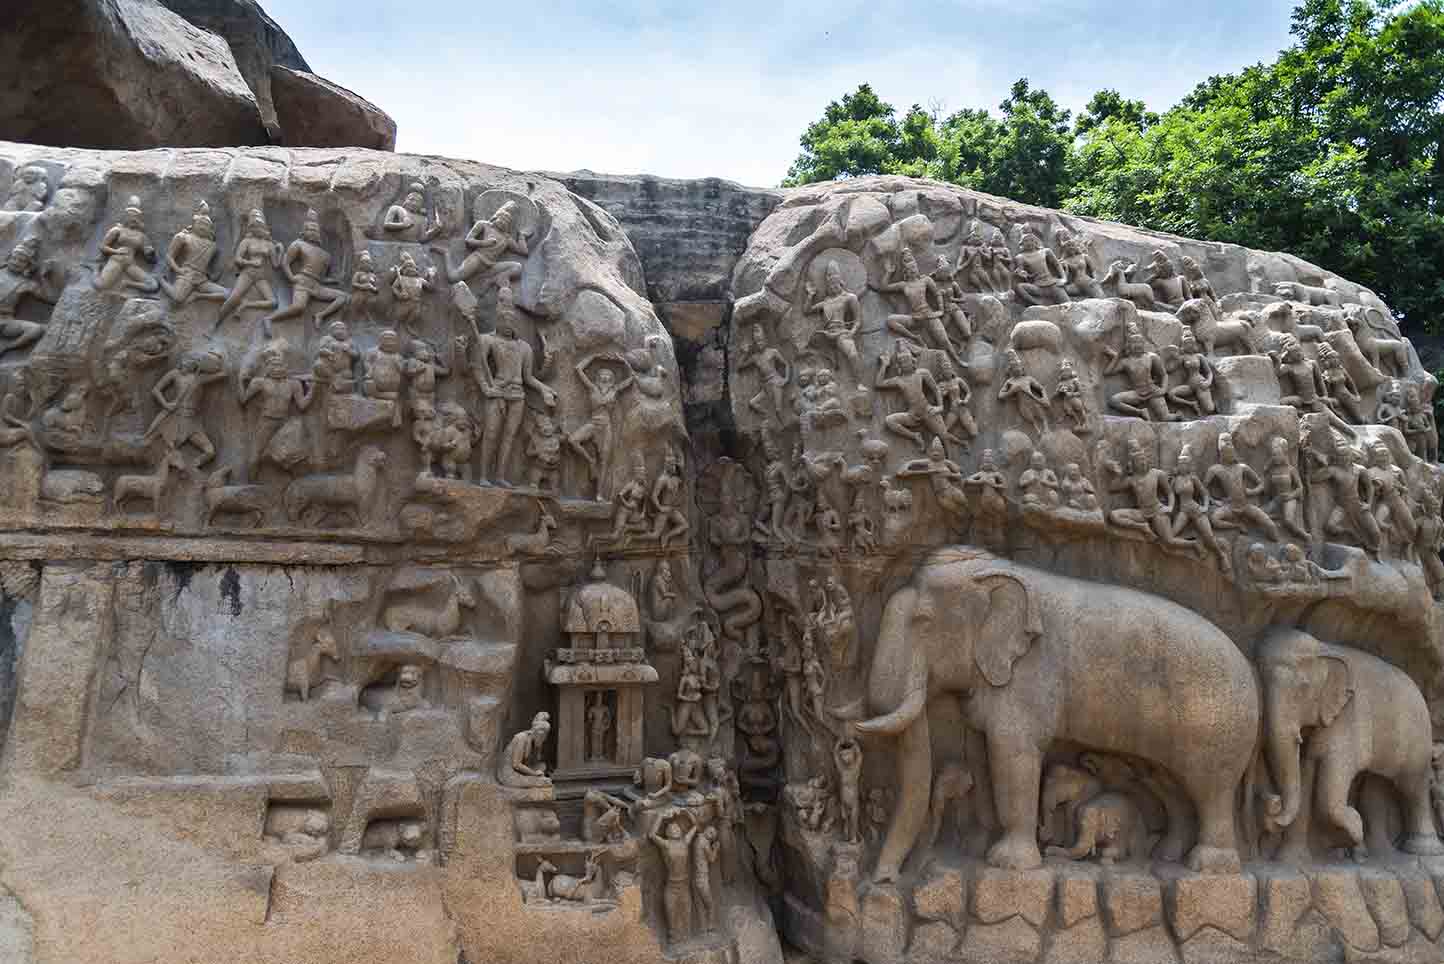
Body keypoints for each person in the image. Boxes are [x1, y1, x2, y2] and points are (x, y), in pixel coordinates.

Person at [266, 209, 348, 330]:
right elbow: (285, 262)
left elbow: (322, 277)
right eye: (309, 229)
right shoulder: (298, 244)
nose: (312, 232)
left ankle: (320, 315)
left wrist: (333, 281)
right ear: (303, 231)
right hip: (302, 282)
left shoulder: (325, 255)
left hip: (316, 285)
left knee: (343, 296)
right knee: (298, 307)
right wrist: (291, 278)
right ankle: (269, 319)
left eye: (315, 230)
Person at [649, 810, 698, 942]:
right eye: (672, 828)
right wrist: (660, 816)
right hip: (671, 886)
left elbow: (696, 826)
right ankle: (673, 935)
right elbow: (652, 835)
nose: (675, 829)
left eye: (677, 827)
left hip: (684, 884)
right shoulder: (666, 844)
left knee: (687, 912)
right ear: (667, 833)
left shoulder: (685, 841)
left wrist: (687, 813)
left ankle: (686, 934)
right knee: (671, 913)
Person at [498, 712, 552, 788]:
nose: (544, 738)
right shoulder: (521, 738)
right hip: (509, 774)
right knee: (545, 782)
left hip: (522, 770)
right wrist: (534, 773)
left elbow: (534, 761)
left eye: (545, 735)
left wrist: (537, 769)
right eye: (543, 735)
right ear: (536, 732)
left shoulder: (535, 742)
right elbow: (516, 765)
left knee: (542, 766)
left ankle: (534, 778)